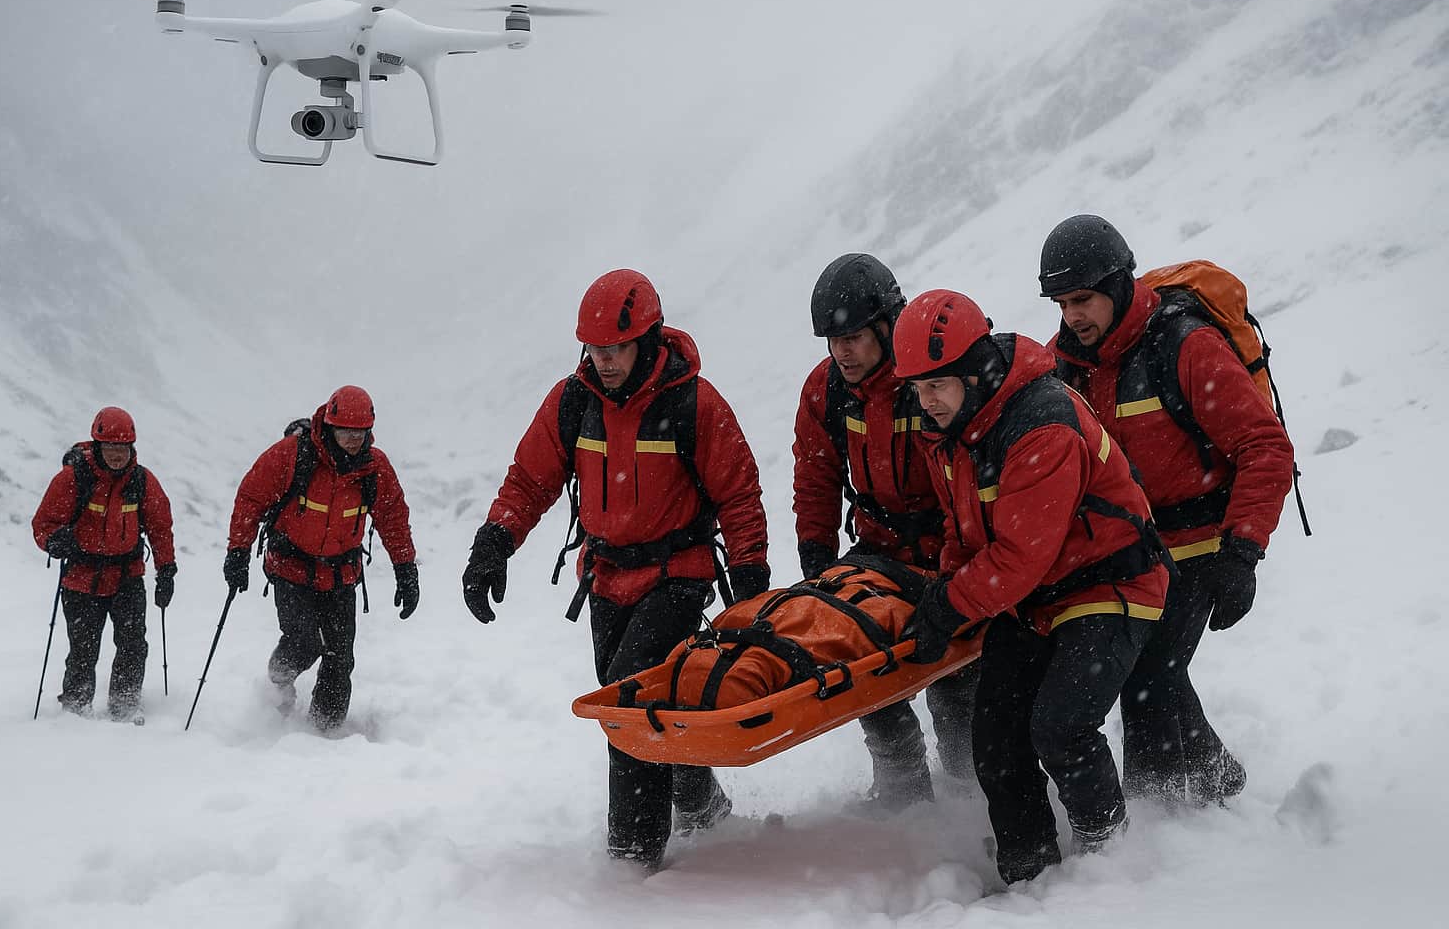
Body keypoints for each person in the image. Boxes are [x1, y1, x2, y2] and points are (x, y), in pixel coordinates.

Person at [462, 269, 771, 871]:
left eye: (615, 348)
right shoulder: (574, 402)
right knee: (643, 706)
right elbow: (530, 480)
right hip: (604, 578)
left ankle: (633, 855)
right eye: (594, 349)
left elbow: (739, 494)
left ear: (648, 339)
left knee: (631, 701)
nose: (602, 361)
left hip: (678, 575)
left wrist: (750, 576)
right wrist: (493, 545)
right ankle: (700, 803)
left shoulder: (693, 402)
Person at [892, 289, 1169, 884]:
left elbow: (1020, 556)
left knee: (1061, 726)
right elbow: (964, 530)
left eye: (938, 384)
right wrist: (945, 590)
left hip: (1110, 584)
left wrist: (949, 607)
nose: (927, 401)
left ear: (974, 369)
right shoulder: (952, 426)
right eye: (917, 387)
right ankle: (1028, 872)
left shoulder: (1041, 422)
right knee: (994, 742)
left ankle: (1109, 860)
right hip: (1035, 600)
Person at [1040, 214, 1295, 805]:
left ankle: (1164, 823)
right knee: (1143, 672)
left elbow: (1266, 448)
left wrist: (1243, 554)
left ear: (1120, 283)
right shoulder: (1066, 361)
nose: (1072, 315)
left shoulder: (1185, 345)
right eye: (1060, 303)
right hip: (1128, 551)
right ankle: (1211, 783)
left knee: (1148, 673)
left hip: (1201, 543)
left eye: (1083, 299)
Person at [792, 253, 976, 807]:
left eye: (853, 336)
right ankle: (903, 797)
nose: (842, 350)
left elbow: (965, 474)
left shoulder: (930, 380)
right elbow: (815, 474)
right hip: (875, 551)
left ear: (886, 326)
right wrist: (816, 553)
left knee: (955, 683)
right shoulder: (826, 390)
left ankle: (973, 796)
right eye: (832, 338)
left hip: (947, 552)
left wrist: (958, 568)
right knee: (861, 669)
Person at [223, 385, 419, 733]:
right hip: (290, 569)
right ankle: (277, 680)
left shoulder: (375, 468)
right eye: (345, 431)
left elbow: (393, 518)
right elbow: (251, 498)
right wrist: (238, 552)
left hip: (341, 575)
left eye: (360, 433)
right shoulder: (292, 455)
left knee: (340, 658)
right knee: (304, 640)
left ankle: (324, 731)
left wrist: (405, 569)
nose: (353, 439)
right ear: (329, 426)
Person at [32, 406, 176, 722]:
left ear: (132, 448)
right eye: (110, 446)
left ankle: (124, 707)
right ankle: (76, 709)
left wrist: (166, 570)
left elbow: (160, 527)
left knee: (133, 644)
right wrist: (54, 540)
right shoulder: (73, 478)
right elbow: (43, 522)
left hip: (127, 577)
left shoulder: (142, 481)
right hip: (81, 579)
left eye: (122, 447)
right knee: (83, 650)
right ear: (97, 445)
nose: (116, 454)